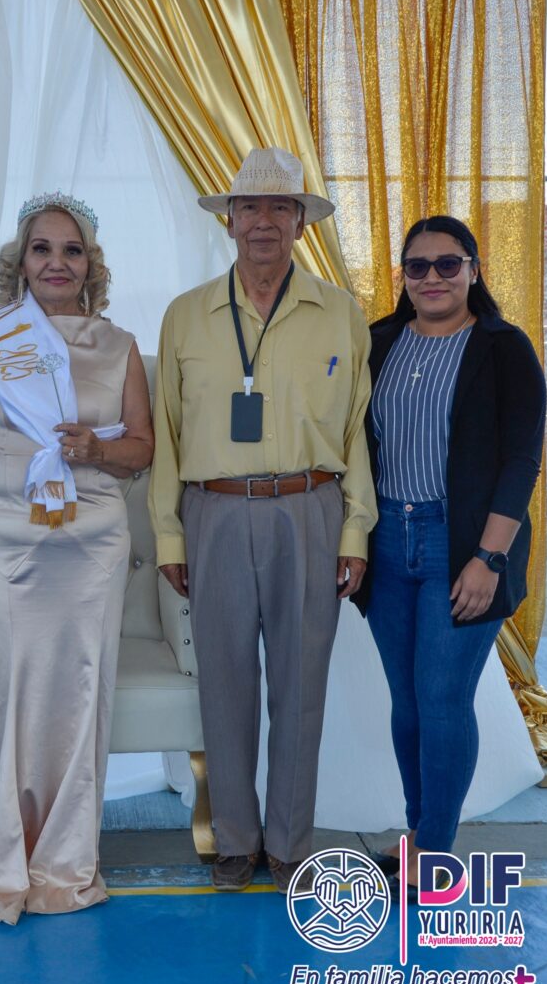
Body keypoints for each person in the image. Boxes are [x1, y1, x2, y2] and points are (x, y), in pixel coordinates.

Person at [149, 147, 378, 895]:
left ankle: (289, 845)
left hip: (309, 510)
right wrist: (170, 535)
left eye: (282, 207)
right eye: (251, 207)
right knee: (224, 685)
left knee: (300, 686)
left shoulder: (340, 313)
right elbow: (168, 435)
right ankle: (236, 840)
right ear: (230, 221)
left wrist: (354, 531)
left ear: (301, 223)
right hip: (213, 511)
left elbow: (357, 433)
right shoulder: (185, 315)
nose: (264, 222)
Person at [0, 192, 154, 923]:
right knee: (16, 690)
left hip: (92, 539)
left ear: (90, 264)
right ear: (21, 260)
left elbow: (142, 450)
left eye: (72, 251)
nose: (56, 263)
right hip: (8, 536)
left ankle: (67, 859)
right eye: (42, 249)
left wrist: (95, 449)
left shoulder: (120, 344)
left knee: (83, 692)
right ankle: (11, 857)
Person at [352, 216, 545, 899]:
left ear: (473, 269)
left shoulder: (503, 347)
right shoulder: (377, 342)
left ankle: (434, 852)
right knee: (407, 704)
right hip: (386, 541)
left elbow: (522, 460)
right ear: (402, 275)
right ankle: (419, 836)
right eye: (418, 266)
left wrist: (488, 558)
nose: (432, 277)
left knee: (441, 700)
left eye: (447, 264)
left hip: (461, 544)